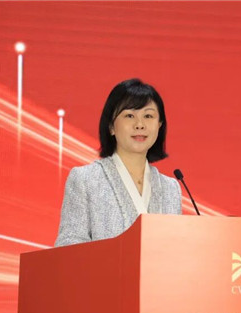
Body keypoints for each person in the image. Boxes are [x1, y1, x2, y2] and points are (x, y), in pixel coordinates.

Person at [54, 78, 182, 246]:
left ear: (159, 125)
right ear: (111, 126)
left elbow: (177, 250)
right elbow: (68, 245)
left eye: (148, 116)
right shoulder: (85, 179)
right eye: (129, 116)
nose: (140, 124)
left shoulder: (171, 189)